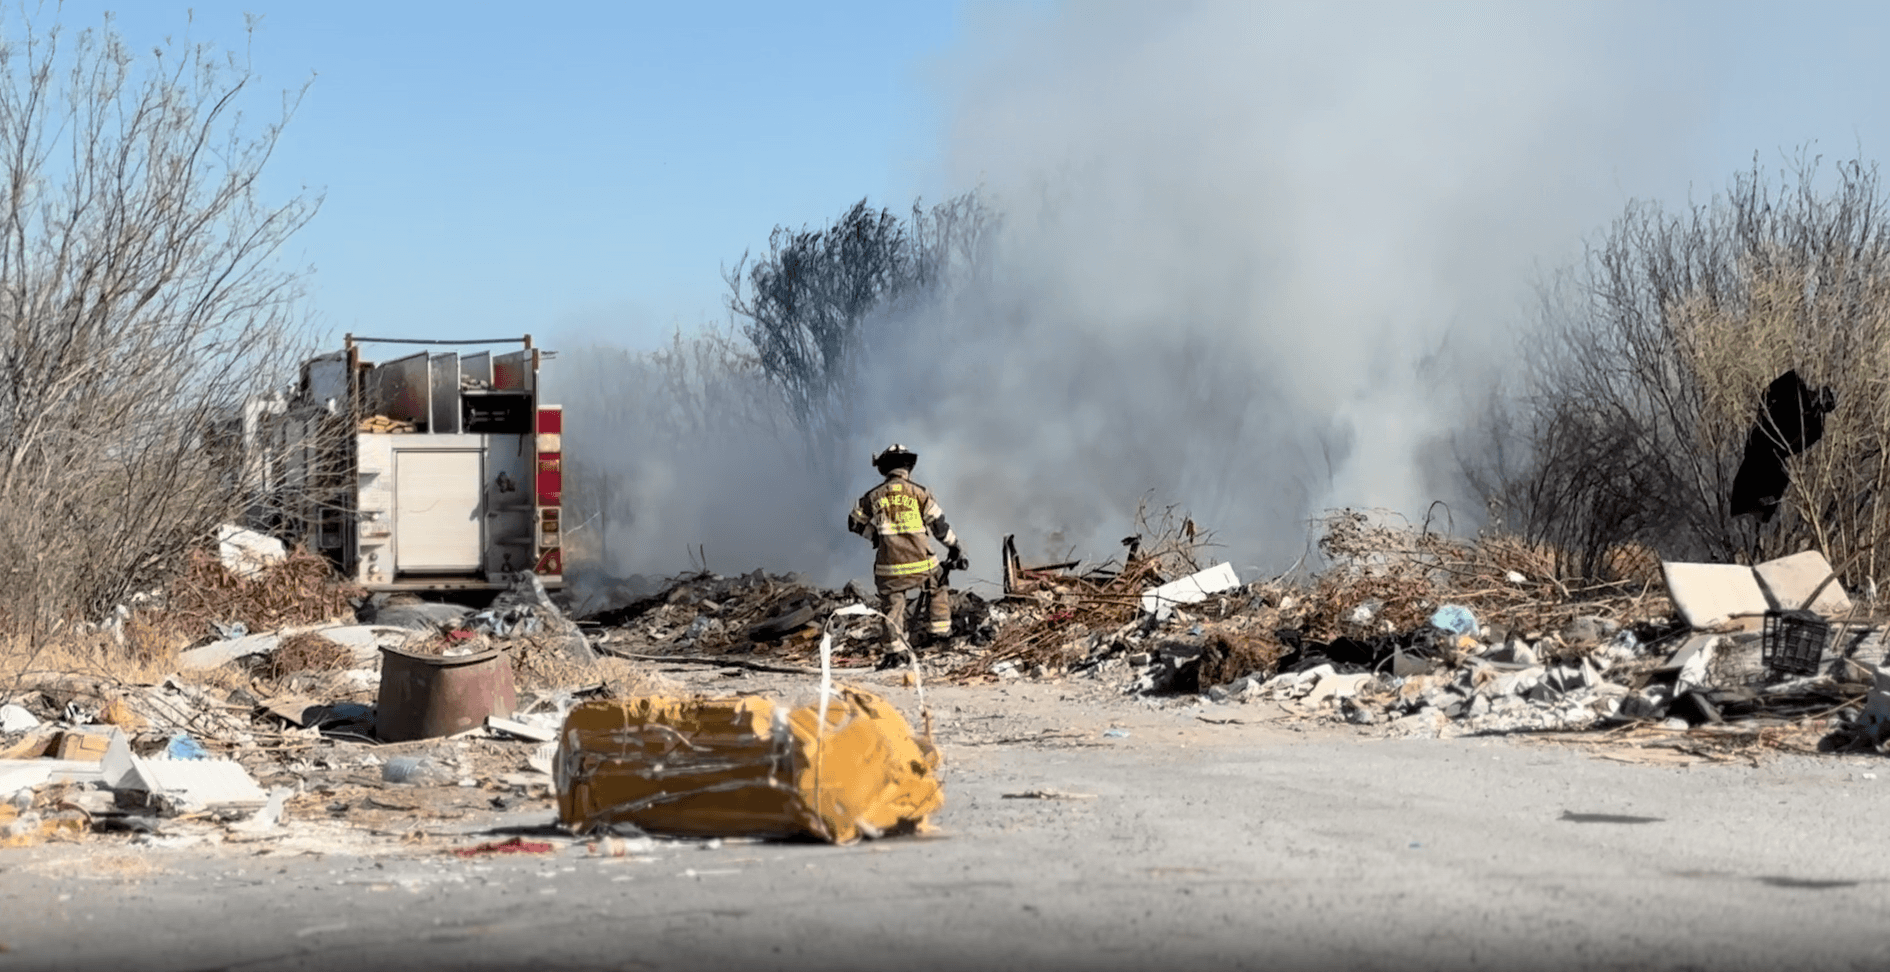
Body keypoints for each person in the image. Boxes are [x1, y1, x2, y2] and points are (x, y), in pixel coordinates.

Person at [847, 444, 967, 651]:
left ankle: (895, 651)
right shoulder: (920, 493)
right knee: (938, 583)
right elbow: (939, 527)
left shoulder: (873, 496)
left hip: (889, 568)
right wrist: (955, 547)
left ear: (884, 469)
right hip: (922, 565)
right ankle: (939, 635)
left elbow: (854, 523)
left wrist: (875, 536)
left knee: (893, 606)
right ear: (908, 467)